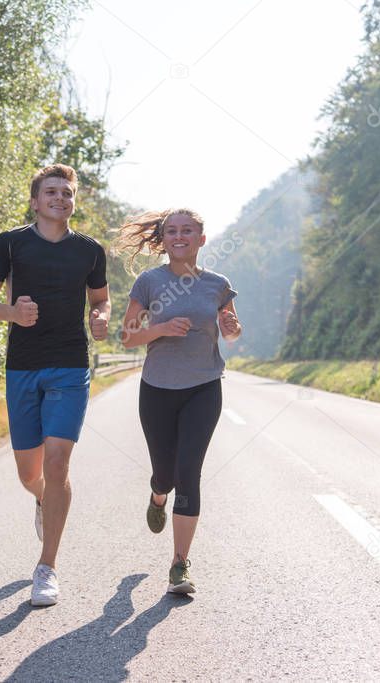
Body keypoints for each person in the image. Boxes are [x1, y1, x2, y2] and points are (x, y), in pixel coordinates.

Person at [0, 164, 110, 606]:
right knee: (29, 474)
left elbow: (100, 297)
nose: (60, 198)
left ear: (73, 202)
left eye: (66, 193)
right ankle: (43, 501)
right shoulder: (10, 244)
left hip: (70, 366)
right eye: (50, 192)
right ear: (35, 201)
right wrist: (11, 314)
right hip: (23, 367)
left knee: (56, 464)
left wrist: (101, 316)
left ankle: (46, 567)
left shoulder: (89, 250)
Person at [115, 208, 241, 594]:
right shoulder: (149, 282)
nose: (180, 236)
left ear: (202, 239)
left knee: (189, 472)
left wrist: (232, 328)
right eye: (172, 231)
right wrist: (161, 329)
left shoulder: (218, 284)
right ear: (164, 240)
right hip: (157, 388)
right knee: (165, 474)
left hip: (204, 386)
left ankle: (179, 565)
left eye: (188, 231)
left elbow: (232, 332)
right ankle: (157, 493)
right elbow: (126, 337)